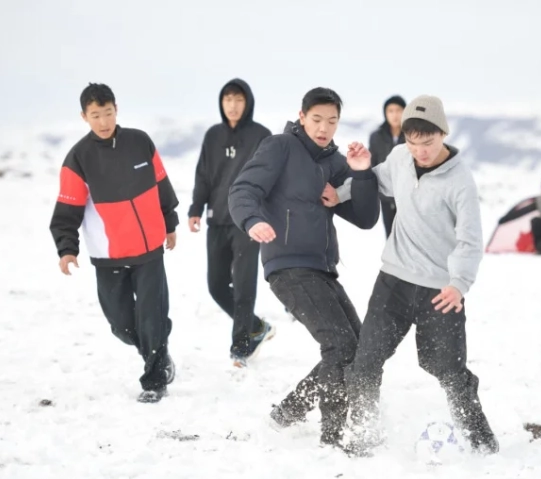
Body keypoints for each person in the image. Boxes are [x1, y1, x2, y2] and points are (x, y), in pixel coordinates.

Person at [336, 95, 499, 455]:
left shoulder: (460, 181)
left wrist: (459, 284)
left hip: (440, 292)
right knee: (366, 363)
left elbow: (470, 240)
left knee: (448, 370)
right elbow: (376, 181)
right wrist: (341, 191)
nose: (420, 151)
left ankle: (482, 444)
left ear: (443, 133)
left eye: (428, 142)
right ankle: (363, 436)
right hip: (393, 282)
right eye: (413, 141)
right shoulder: (399, 157)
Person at [228, 87, 380, 447]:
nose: (324, 128)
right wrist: (252, 220)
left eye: (332, 121)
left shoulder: (335, 162)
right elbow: (242, 190)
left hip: (322, 269)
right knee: (340, 346)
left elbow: (365, 218)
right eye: (317, 119)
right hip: (288, 267)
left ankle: (289, 412)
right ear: (302, 116)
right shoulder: (280, 147)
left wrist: (361, 174)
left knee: (360, 348)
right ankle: (333, 436)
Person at [49, 83, 179, 403]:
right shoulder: (78, 158)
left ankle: (154, 380)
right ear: (84, 117)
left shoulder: (140, 142)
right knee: (122, 325)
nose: (104, 121)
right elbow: (67, 209)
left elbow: (161, 184)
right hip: (109, 255)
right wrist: (67, 249)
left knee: (151, 317)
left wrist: (170, 223)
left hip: (149, 250)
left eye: (108, 113)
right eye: (96, 115)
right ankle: (157, 348)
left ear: (116, 109)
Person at [187, 79, 275, 367]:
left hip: (248, 221)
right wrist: (196, 208)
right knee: (216, 286)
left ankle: (241, 347)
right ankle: (256, 326)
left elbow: (271, 176)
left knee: (243, 284)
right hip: (217, 219)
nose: (233, 106)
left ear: (247, 102)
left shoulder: (262, 135)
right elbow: (203, 175)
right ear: (221, 103)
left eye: (238, 100)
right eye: (227, 100)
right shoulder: (213, 135)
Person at [368, 95, 406, 237]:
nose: (395, 115)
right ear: (385, 113)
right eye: (390, 111)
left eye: (398, 110)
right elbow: (373, 164)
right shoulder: (376, 136)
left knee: (409, 237)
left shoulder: (412, 134)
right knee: (391, 237)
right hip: (386, 197)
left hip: (408, 197)